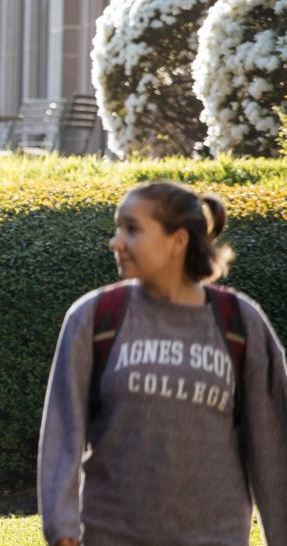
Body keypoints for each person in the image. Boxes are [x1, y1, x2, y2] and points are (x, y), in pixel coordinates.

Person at [38, 181, 287, 546]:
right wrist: (61, 528)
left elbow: (274, 447)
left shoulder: (240, 324)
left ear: (179, 241)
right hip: (112, 535)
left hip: (215, 536)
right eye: (118, 227)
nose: (116, 241)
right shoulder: (94, 318)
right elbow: (63, 431)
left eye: (132, 229)